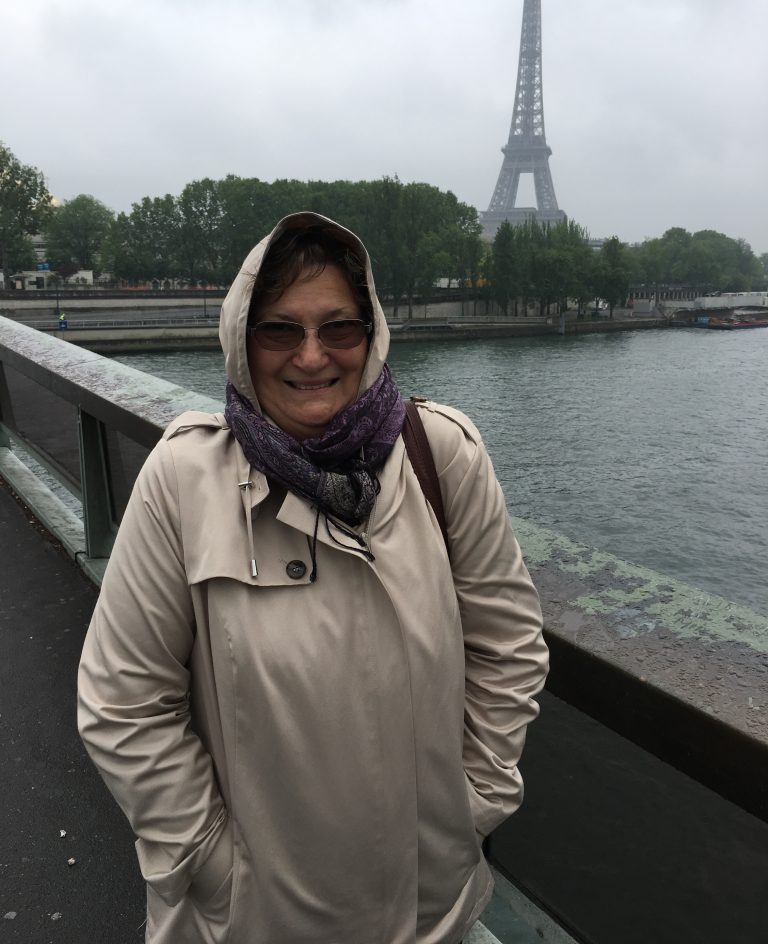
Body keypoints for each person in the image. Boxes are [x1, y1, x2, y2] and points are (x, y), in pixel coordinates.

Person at [77, 212, 548, 944]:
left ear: (373, 333)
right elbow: (124, 700)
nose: (310, 356)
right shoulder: (183, 479)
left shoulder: (443, 456)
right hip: (255, 920)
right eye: (278, 331)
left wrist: (470, 806)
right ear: (241, 339)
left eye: (339, 329)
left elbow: (509, 646)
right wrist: (212, 862)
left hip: (426, 907)